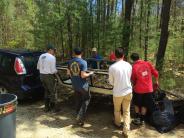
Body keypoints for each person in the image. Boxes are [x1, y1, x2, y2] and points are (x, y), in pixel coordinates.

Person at [109, 48, 132, 138]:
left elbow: (111, 82)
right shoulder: (129, 65)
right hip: (128, 91)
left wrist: (117, 83)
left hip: (118, 92)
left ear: (115, 55)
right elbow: (129, 77)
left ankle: (117, 124)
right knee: (126, 111)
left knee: (117, 110)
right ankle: (126, 130)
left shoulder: (112, 67)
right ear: (123, 55)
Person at [130, 53, 159, 125]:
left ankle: (137, 118)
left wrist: (133, 85)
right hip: (149, 89)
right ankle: (142, 120)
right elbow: (156, 73)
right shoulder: (148, 63)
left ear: (132, 60)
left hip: (138, 89)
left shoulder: (134, 67)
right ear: (139, 57)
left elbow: (133, 79)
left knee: (137, 104)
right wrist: (157, 81)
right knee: (144, 105)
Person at [68, 47, 94, 126]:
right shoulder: (83, 62)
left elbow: (68, 73)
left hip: (74, 84)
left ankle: (77, 114)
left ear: (74, 53)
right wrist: (90, 73)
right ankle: (80, 117)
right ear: (81, 53)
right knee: (86, 99)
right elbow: (83, 75)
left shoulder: (70, 62)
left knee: (78, 100)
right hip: (83, 85)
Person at [37, 44, 58, 112]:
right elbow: (53, 70)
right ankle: (53, 109)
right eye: (53, 50)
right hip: (49, 76)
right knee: (53, 92)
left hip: (41, 75)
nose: (54, 52)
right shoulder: (52, 57)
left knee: (46, 91)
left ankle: (46, 108)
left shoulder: (41, 56)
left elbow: (38, 67)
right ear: (50, 50)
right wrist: (57, 71)